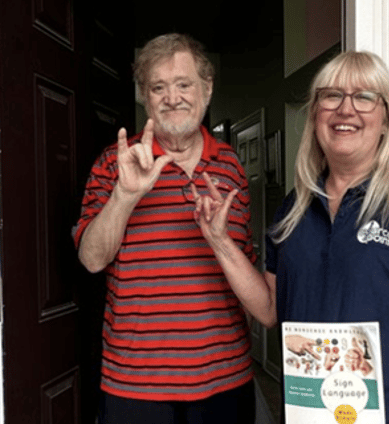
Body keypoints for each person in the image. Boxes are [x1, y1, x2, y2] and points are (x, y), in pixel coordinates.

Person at [191, 51, 389, 424]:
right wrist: (219, 241)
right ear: (314, 115)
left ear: (386, 120)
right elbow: (269, 309)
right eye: (332, 96)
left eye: (364, 97)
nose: (346, 109)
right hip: (311, 414)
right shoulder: (293, 208)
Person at [72, 33, 256, 424]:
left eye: (183, 84)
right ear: (145, 96)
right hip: (135, 385)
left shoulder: (232, 167)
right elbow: (90, 260)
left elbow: (248, 272)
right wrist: (124, 195)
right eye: (159, 87)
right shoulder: (113, 164)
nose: (173, 98)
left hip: (225, 380)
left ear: (206, 89)